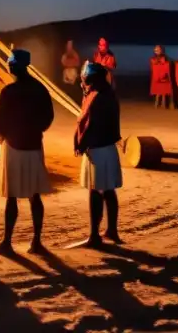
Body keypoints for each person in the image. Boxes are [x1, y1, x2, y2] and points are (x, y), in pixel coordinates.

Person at [0, 49, 54, 255]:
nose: (9, 66)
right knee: (34, 196)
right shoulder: (40, 89)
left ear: (16, 66)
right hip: (33, 145)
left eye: (11, 63)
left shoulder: (8, 91)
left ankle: (7, 241)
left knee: (12, 196)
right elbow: (48, 117)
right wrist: (35, 130)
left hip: (14, 147)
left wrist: (3, 136)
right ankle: (36, 241)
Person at [73, 61, 123, 248]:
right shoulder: (107, 93)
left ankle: (94, 236)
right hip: (107, 148)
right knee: (109, 189)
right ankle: (112, 230)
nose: (83, 80)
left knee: (95, 191)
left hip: (97, 149)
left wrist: (80, 143)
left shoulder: (97, 96)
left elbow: (88, 124)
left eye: (85, 78)